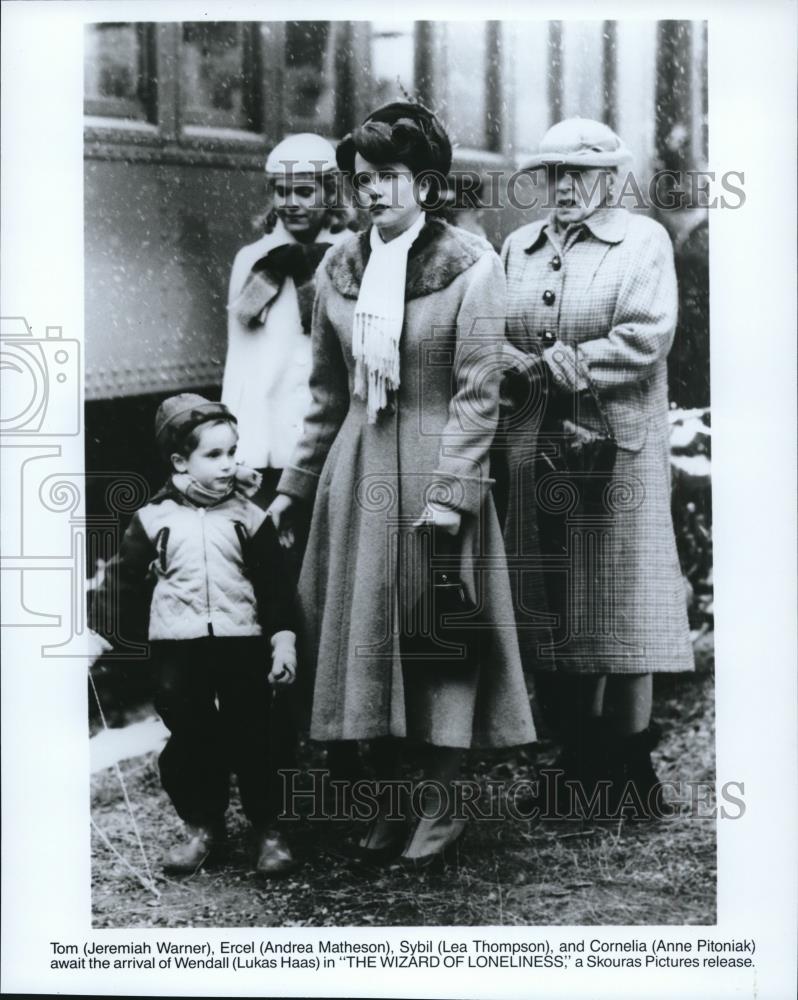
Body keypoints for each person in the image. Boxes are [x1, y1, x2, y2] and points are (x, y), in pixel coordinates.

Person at [267, 101, 536, 867]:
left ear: (425, 182)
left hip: (434, 472)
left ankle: (443, 804)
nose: (373, 193)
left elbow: (480, 393)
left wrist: (453, 495)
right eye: (362, 180)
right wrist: (293, 487)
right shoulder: (337, 266)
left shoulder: (471, 267)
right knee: (357, 642)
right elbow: (325, 391)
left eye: (389, 178)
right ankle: (387, 801)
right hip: (355, 474)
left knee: (434, 640)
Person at [500, 118, 694, 819]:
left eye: (579, 173)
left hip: (618, 448)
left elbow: (646, 335)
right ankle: (577, 761)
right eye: (553, 174)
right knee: (556, 602)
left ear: (612, 177)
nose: (564, 187)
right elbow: (497, 330)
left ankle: (629, 764)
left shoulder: (643, 241)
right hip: (540, 448)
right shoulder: (517, 246)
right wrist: (516, 365)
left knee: (624, 602)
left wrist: (570, 365)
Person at [89, 394, 299, 877]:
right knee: (190, 739)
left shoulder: (249, 517)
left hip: (242, 644)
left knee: (258, 736)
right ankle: (203, 827)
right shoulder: (153, 519)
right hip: (177, 651)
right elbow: (121, 581)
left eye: (232, 452)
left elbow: (274, 586)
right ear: (181, 461)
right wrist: (97, 632)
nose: (229, 465)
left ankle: (269, 828)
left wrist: (283, 638)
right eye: (214, 455)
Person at [222, 132, 353, 512]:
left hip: (329, 440)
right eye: (282, 191)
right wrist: (236, 449)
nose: (290, 203)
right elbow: (241, 362)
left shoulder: (351, 254)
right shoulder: (254, 261)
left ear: (329, 193)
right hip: (267, 442)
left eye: (304, 192)